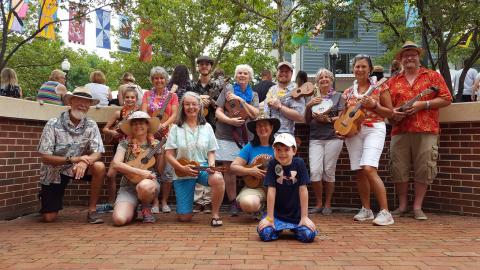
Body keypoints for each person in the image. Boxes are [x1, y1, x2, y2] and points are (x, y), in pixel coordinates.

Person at [388, 41, 452, 220]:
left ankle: (417, 207)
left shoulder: (432, 76)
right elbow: (387, 107)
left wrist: (424, 104)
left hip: (426, 129)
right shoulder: (393, 81)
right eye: (405, 55)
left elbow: (447, 98)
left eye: (413, 54)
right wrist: (393, 113)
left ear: (418, 57)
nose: (409, 57)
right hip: (400, 130)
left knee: (424, 168)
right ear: (400, 59)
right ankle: (402, 206)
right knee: (398, 168)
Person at [37, 87, 105, 224]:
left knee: (99, 166)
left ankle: (92, 211)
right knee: (49, 218)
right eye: (79, 100)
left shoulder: (91, 125)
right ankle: (45, 196)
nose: (83, 104)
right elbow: (45, 157)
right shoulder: (53, 124)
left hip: (77, 168)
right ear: (71, 101)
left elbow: (98, 152)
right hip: (54, 171)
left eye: (87, 102)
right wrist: (75, 159)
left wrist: (85, 162)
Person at [341, 54, 394, 226]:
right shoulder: (348, 92)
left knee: (369, 168)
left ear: (370, 69)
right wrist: (342, 129)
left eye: (364, 66)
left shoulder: (380, 87)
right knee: (359, 170)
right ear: (353, 69)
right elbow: (345, 115)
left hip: (374, 129)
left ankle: (385, 212)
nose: (360, 69)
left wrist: (375, 105)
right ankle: (366, 210)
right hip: (355, 132)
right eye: (357, 66)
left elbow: (390, 113)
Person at [164, 91, 225, 226]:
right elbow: (168, 155)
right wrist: (181, 168)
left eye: (194, 104)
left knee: (218, 178)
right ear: (182, 107)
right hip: (182, 171)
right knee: (184, 218)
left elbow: (211, 151)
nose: (191, 107)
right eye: (187, 104)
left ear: (199, 107)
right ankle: (186, 208)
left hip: (202, 166)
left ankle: (215, 215)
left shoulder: (207, 127)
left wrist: (211, 165)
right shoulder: (175, 128)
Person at [215, 64, 260, 216]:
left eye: (245, 73)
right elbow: (218, 111)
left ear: (250, 77)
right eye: (239, 73)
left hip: (247, 137)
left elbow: (255, 114)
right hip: (226, 135)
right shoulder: (228, 90)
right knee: (229, 171)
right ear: (235, 76)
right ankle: (233, 202)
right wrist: (229, 120)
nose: (242, 75)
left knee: (250, 169)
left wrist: (241, 100)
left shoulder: (253, 95)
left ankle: (252, 202)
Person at [257, 133, 317, 243]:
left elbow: (303, 189)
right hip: (276, 215)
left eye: (286, 149)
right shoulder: (272, 164)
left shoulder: (299, 163)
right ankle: (275, 227)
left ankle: (297, 227)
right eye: (278, 149)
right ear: (274, 150)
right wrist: (270, 218)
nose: (282, 153)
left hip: (296, 216)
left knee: (308, 236)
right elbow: (271, 190)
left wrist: (304, 217)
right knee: (265, 234)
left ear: (294, 151)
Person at [304, 68, 345, 215]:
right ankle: (318, 203)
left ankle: (327, 204)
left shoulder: (339, 96)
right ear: (317, 82)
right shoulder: (313, 98)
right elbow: (307, 120)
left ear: (331, 80)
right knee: (315, 171)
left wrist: (327, 119)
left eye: (327, 77)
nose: (324, 79)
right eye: (321, 77)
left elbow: (342, 117)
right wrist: (308, 106)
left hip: (333, 137)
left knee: (328, 171)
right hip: (315, 138)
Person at [111, 111, 162, 225]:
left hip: (148, 186)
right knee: (119, 220)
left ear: (148, 125)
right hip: (128, 186)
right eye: (135, 123)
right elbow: (116, 164)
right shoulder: (124, 143)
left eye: (142, 123)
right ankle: (132, 209)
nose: (138, 126)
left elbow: (161, 170)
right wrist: (140, 172)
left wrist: (160, 153)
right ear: (131, 127)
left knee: (145, 185)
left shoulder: (155, 144)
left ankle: (145, 207)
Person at [141, 66, 179, 213]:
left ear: (166, 79)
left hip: (167, 135)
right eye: (156, 78)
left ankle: (164, 201)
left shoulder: (172, 96)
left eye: (162, 77)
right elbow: (144, 112)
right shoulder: (147, 95)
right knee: (153, 168)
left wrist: (163, 124)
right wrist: (153, 125)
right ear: (152, 80)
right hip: (150, 135)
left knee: (168, 171)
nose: (159, 80)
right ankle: (155, 202)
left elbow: (174, 115)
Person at [230, 114, 280, 219]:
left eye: (265, 125)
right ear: (255, 130)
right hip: (255, 187)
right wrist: (250, 171)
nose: (262, 128)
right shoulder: (250, 147)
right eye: (259, 126)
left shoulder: (279, 146)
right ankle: (260, 207)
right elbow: (233, 167)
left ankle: (271, 209)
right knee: (248, 204)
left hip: (277, 187)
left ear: (271, 127)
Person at [102, 87, 140, 210]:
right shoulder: (118, 113)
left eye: (132, 97)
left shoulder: (140, 113)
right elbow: (105, 129)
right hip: (120, 146)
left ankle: (138, 203)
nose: (130, 99)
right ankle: (111, 202)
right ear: (123, 99)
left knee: (134, 175)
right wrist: (112, 133)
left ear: (136, 99)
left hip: (135, 148)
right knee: (110, 174)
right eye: (127, 97)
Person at [264, 62, 305, 135]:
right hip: (269, 134)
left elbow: (300, 117)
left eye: (286, 71)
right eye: (281, 71)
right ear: (277, 72)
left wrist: (280, 107)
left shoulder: (297, 90)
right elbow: (266, 112)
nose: (283, 73)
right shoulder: (272, 89)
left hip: (286, 136)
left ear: (291, 74)